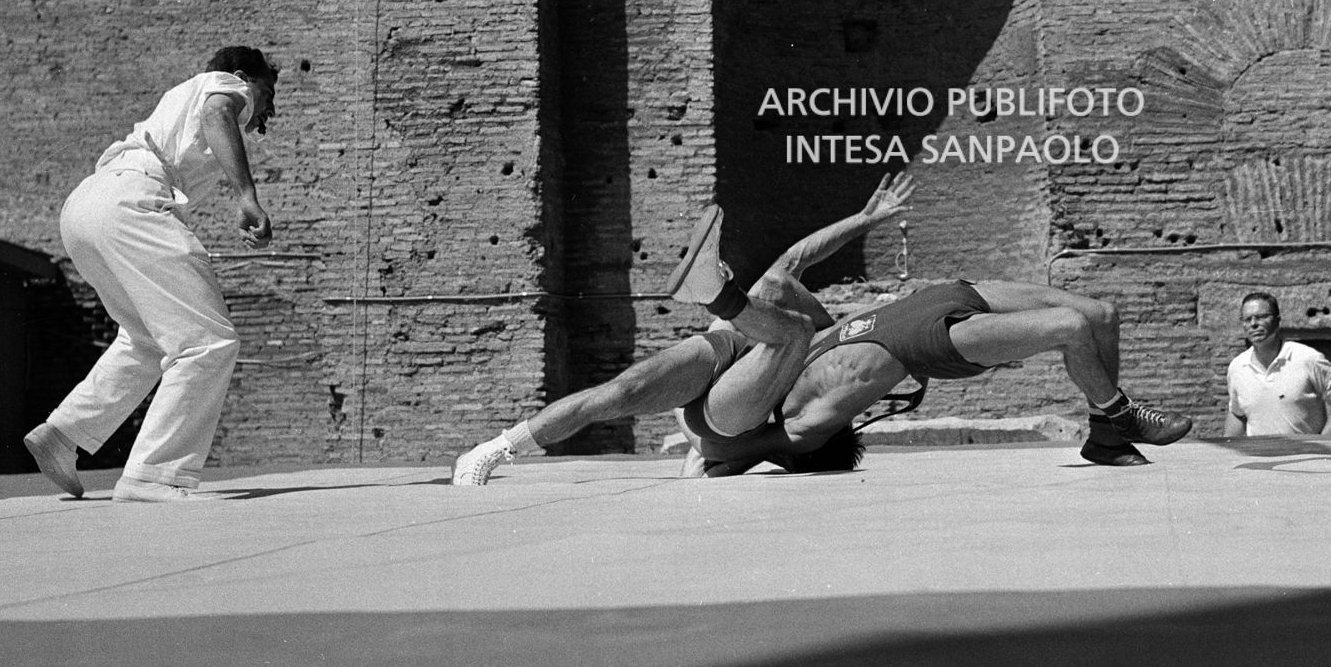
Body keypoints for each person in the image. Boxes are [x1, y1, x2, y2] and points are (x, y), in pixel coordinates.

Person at [451, 176, 914, 485]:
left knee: (785, 325)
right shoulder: (828, 346)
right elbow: (791, 263)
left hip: (726, 416)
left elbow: (735, 451)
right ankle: (494, 449)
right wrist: (865, 220)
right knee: (621, 390)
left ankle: (720, 291)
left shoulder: (805, 433)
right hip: (729, 354)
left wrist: (709, 464)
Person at [23, 48, 279, 502]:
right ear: (241, 76)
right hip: (131, 202)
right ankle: (154, 474)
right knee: (209, 341)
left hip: (86, 207)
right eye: (267, 92)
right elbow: (221, 112)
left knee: (145, 339)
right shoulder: (224, 87)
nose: (268, 108)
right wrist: (246, 195)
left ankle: (64, 434)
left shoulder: (179, 99)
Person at [678, 274, 1192, 474]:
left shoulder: (806, 345)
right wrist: (725, 457)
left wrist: (729, 334)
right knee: (1072, 326)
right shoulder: (802, 424)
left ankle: (1104, 437)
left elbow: (779, 284)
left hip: (941, 295)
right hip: (922, 343)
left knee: (1101, 312)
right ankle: (1122, 414)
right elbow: (726, 451)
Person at [1223, 290, 1331, 440]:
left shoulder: (1308, 358)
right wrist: (1228, 450)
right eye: (1247, 319)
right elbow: (1237, 414)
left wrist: (1324, 440)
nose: (1253, 324)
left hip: (1306, 458)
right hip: (1261, 459)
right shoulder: (1237, 367)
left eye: (1261, 317)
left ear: (1278, 320)